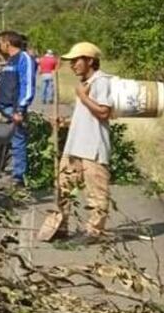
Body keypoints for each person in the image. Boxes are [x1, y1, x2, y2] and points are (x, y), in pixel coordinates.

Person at [38, 42, 115, 243]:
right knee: (62, 186)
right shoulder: (84, 84)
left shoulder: (101, 82)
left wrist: (82, 96)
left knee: (96, 193)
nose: (72, 65)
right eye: (70, 62)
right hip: (75, 146)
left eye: (76, 61)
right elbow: (85, 116)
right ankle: (61, 225)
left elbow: (103, 112)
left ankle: (93, 231)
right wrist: (64, 122)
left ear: (90, 61)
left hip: (93, 147)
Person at [0, 31, 37, 187]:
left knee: (17, 141)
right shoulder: (10, 60)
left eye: (0, 42)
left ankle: (18, 178)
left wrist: (20, 109)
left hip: (13, 109)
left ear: (7, 43)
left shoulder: (24, 58)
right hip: (2, 106)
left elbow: (27, 85)